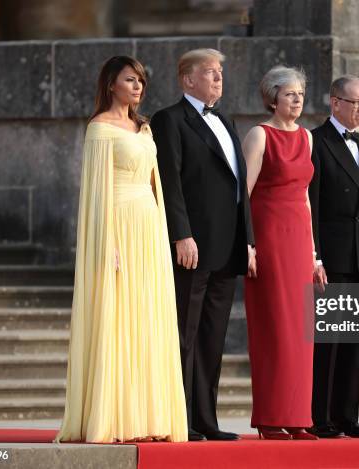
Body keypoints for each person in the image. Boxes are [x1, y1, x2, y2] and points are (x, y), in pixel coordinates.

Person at [55, 56, 187, 444]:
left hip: (148, 228)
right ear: (111, 83)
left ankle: (149, 416)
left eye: (141, 81)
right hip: (118, 227)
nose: (137, 87)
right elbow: (96, 195)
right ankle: (113, 417)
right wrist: (106, 242)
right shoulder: (99, 129)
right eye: (130, 80)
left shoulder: (144, 129)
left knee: (148, 319)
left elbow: (155, 186)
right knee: (119, 318)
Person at [150, 48, 255, 442]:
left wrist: (248, 241)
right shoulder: (169, 120)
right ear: (187, 79)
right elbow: (169, 180)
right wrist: (181, 233)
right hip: (191, 246)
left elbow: (238, 189)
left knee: (213, 337)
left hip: (228, 248)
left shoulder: (226, 120)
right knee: (185, 334)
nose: (218, 79)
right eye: (210, 72)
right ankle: (182, 420)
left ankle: (207, 420)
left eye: (221, 73)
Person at [308, 75, 359, 439]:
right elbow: (313, 205)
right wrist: (316, 257)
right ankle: (320, 419)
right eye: (357, 102)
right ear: (335, 102)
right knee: (328, 342)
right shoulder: (317, 141)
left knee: (355, 341)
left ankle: (347, 417)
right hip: (333, 257)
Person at [242, 65, 318, 441]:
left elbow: (305, 196)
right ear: (273, 97)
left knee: (301, 332)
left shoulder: (307, 138)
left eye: (300, 94)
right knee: (275, 328)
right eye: (289, 94)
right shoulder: (260, 135)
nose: (297, 100)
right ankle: (271, 418)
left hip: (299, 241)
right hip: (269, 239)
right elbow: (244, 193)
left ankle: (298, 416)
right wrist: (248, 244)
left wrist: (316, 255)